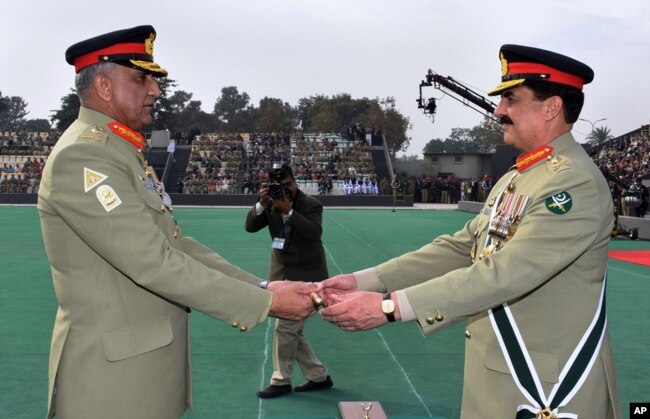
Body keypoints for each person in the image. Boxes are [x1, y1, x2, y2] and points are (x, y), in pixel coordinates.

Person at [318, 44, 621, 418]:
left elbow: (506, 271)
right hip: (501, 381)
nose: (498, 111)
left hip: (547, 391)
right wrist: (366, 281)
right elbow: (461, 247)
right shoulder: (519, 177)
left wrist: (390, 307)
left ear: (551, 107)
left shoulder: (572, 183)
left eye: (510, 99)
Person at [38, 25, 317, 419]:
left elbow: (176, 245)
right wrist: (267, 303)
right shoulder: (85, 158)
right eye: (141, 78)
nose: (154, 90)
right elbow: (153, 261)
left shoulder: (119, 151)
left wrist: (262, 285)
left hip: (137, 373)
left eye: (153, 79)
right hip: (112, 385)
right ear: (103, 86)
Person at [245, 163, 333, 398]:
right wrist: (262, 204)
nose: (286, 190)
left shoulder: (311, 205)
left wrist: (289, 212)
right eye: (279, 186)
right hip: (281, 277)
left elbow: (314, 233)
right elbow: (250, 226)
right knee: (293, 331)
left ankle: (281, 380)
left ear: (295, 183)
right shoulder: (271, 203)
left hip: (308, 280)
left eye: (289, 185)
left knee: (285, 328)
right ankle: (319, 376)